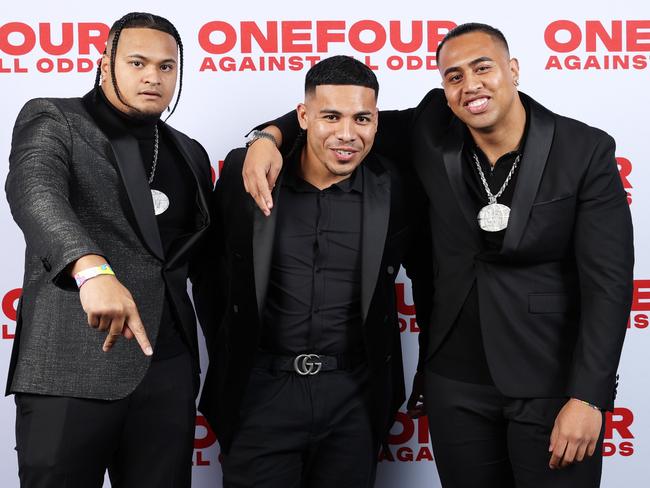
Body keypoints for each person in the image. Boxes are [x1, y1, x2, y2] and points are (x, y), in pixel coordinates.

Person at [241, 23, 634, 488]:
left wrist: (589, 397)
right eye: (453, 76)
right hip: (455, 384)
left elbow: (609, 284)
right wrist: (267, 137)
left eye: (482, 68)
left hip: (549, 381)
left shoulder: (583, 149)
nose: (470, 85)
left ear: (513, 70)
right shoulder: (431, 126)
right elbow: (345, 117)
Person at [199, 55, 432, 488]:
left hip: (354, 398)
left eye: (362, 118)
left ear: (377, 121)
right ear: (303, 117)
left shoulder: (396, 187)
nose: (347, 134)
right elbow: (209, 277)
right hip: (261, 393)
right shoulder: (244, 175)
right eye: (330, 116)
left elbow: (431, 280)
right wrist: (234, 353)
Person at [5, 12, 213, 487]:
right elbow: (34, 191)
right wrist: (90, 269)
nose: (152, 76)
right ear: (105, 63)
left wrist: (268, 136)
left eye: (166, 67)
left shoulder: (190, 150)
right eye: (138, 61)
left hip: (168, 368)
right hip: (72, 368)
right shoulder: (55, 117)